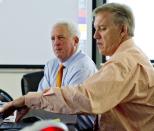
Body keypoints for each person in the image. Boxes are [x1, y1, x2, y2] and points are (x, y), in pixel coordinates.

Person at [1, 2, 154, 131]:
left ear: (123, 30)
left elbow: (83, 98)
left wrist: (26, 100)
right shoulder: (131, 57)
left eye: (102, 28)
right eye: (95, 29)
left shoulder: (123, 63)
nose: (95, 36)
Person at [37, 21, 97, 130]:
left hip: (80, 125)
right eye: (53, 38)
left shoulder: (83, 66)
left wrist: (45, 100)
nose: (56, 42)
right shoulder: (51, 64)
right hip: (56, 118)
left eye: (60, 38)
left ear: (75, 41)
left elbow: (69, 105)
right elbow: (40, 97)